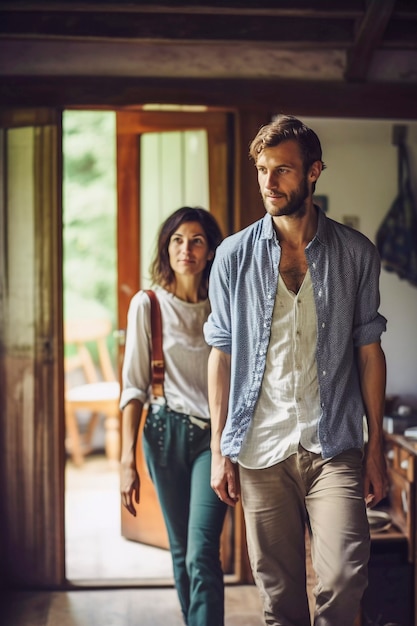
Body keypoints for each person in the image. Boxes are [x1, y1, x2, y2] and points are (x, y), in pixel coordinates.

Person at [204, 115, 388, 626]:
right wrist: (220, 449)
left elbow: (369, 351)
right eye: (262, 169)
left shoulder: (356, 253)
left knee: (345, 577)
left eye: (282, 170)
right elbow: (220, 353)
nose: (268, 182)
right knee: (279, 596)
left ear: (313, 172)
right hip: (261, 447)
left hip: (334, 444)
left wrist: (375, 448)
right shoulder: (232, 256)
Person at [120, 206, 227, 626]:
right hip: (164, 434)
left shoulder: (224, 304)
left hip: (214, 439)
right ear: (167, 248)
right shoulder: (147, 305)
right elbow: (133, 388)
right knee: (181, 550)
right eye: (178, 240)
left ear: (210, 249)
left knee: (202, 550)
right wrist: (126, 462)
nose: (187, 249)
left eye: (197, 240)